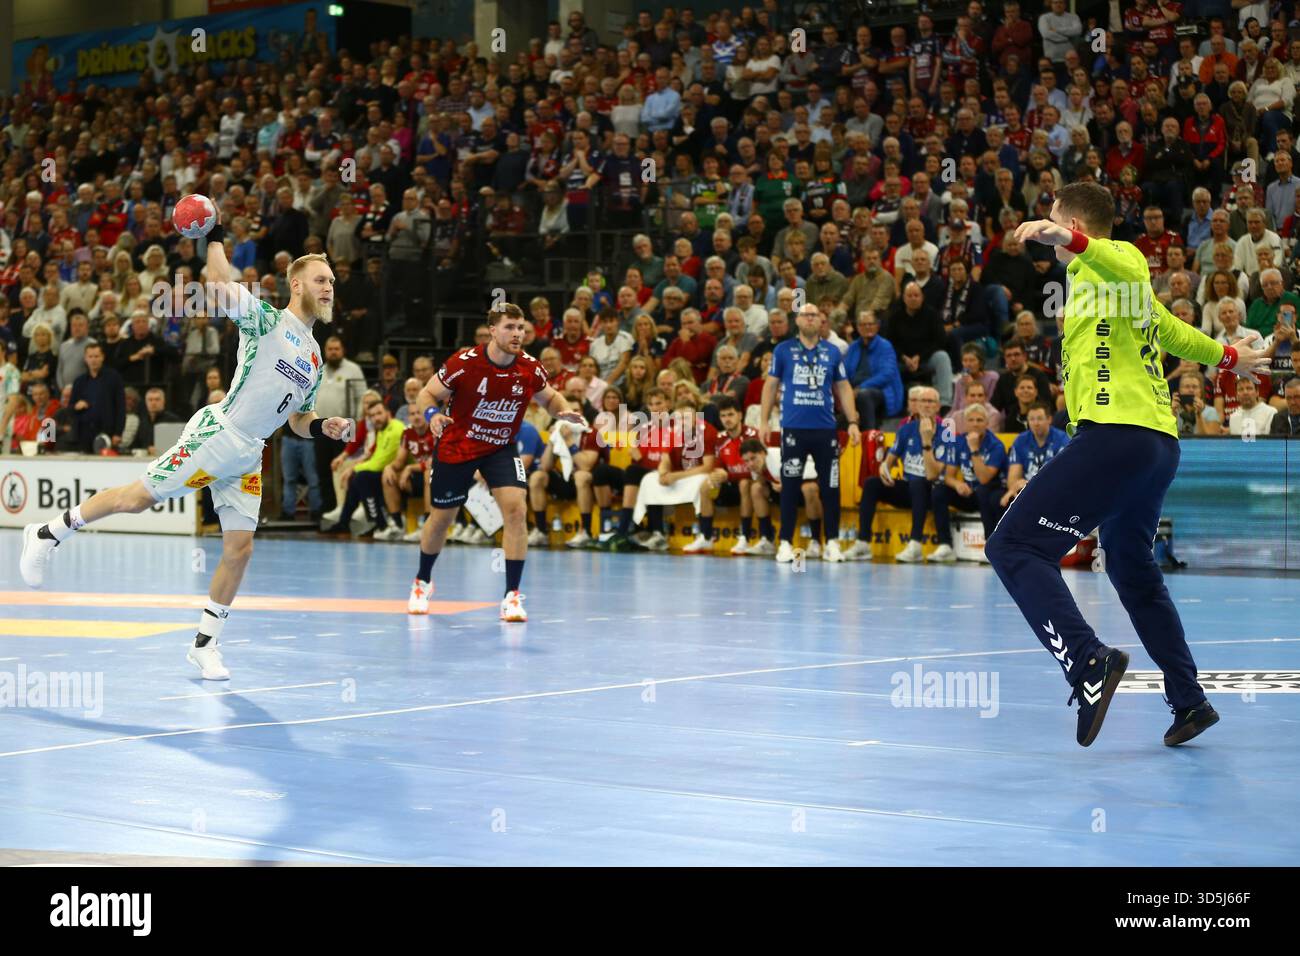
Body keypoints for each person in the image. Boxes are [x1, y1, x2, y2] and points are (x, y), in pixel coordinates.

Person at [990, 181, 1270, 747]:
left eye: (1054, 218)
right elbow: (1170, 330)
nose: (1046, 227)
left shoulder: (1118, 261)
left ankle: (1088, 661)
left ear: (1074, 224)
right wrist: (1231, 356)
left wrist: (1061, 233)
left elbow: (1123, 260)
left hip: (1118, 438)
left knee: (1014, 546)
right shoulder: (1096, 285)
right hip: (1154, 449)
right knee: (1130, 566)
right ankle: (1188, 700)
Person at [19, 220, 353, 683]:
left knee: (239, 549)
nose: (329, 287)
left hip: (249, 454)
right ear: (297, 285)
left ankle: (205, 645)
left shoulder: (315, 358)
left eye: (332, 282)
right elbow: (218, 281)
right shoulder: (267, 320)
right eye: (321, 279)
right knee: (136, 499)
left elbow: (296, 419)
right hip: (218, 434)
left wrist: (323, 426)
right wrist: (213, 232)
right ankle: (47, 533)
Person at [411, 303, 585, 621]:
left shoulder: (530, 368)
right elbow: (426, 394)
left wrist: (563, 410)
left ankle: (512, 596)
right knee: (441, 519)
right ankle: (422, 581)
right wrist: (433, 415)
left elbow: (550, 397)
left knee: (516, 510)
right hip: (458, 446)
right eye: (509, 327)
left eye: (521, 328)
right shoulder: (463, 363)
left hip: (500, 448)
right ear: (493, 330)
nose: (517, 334)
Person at [759, 303, 861, 563]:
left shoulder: (832, 352)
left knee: (831, 487)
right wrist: (763, 421)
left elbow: (844, 387)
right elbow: (771, 386)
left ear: (821, 321)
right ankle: (784, 542)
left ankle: (833, 542)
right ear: (798, 320)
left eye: (815, 315)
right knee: (790, 486)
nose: (810, 319)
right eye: (805, 314)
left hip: (825, 430)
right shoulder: (782, 350)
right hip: (793, 429)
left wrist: (852, 421)